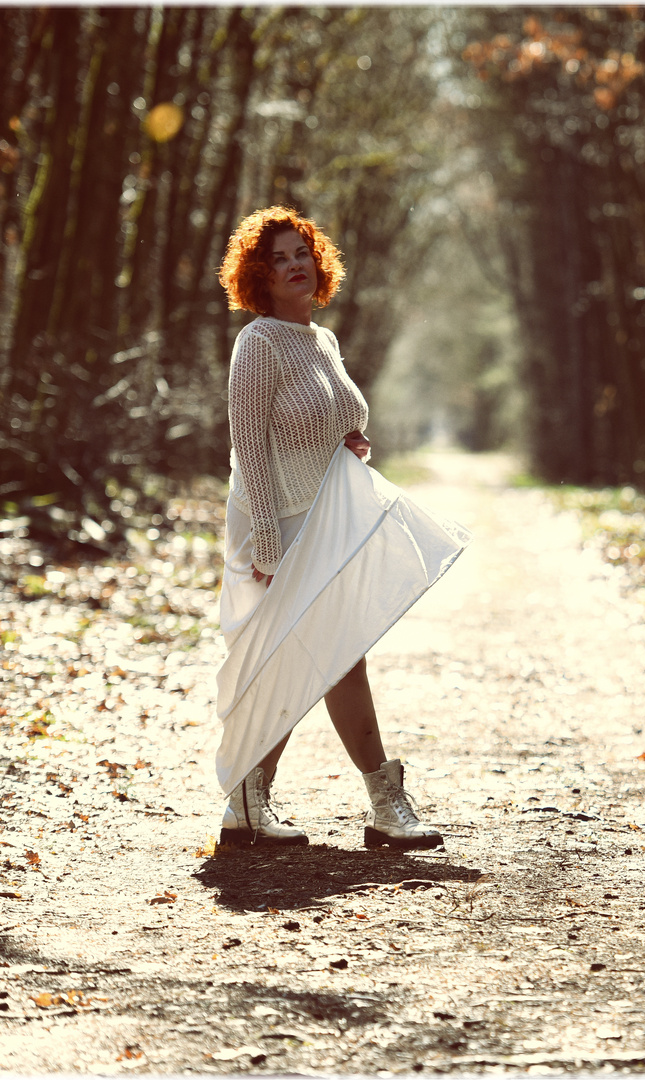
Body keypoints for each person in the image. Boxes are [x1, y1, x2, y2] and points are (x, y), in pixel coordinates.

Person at [212, 205, 450, 851]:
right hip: (278, 521)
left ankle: (250, 801)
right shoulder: (257, 343)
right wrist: (266, 540)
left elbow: (318, 420)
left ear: (318, 263)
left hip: (325, 518)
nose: (293, 265)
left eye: (300, 253)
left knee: (323, 656)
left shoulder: (321, 341)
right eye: (278, 258)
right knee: (315, 658)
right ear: (257, 275)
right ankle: (379, 801)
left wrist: (346, 440)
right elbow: (249, 447)